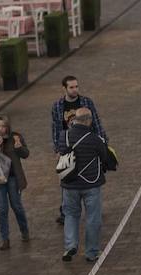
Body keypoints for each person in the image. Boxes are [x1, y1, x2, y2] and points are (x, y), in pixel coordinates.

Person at [51, 76, 107, 224]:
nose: (75, 89)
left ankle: (94, 208)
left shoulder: (86, 102)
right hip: (68, 146)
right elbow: (56, 129)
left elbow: (95, 122)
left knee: (92, 175)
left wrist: (102, 141)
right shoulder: (57, 106)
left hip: (87, 143)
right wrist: (58, 149)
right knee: (66, 176)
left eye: (76, 86)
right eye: (71, 87)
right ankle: (65, 212)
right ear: (64, 88)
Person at [58, 108, 110, 263]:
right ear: (88, 120)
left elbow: (62, 151)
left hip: (69, 184)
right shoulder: (94, 138)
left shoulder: (64, 136)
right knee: (93, 218)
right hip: (91, 183)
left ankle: (70, 245)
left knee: (71, 215)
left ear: (75, 119)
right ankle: (91, 252)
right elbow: (104, 156)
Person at [0, 115, 30, 250]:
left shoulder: (15, 137)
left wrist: (19, 147)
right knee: (2, 209)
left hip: (13, 178)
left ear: (8, 126)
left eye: (3, 126)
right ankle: (5, 239)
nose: (1, 129)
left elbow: (26, 154)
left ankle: (24, 231)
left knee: (16, 206)